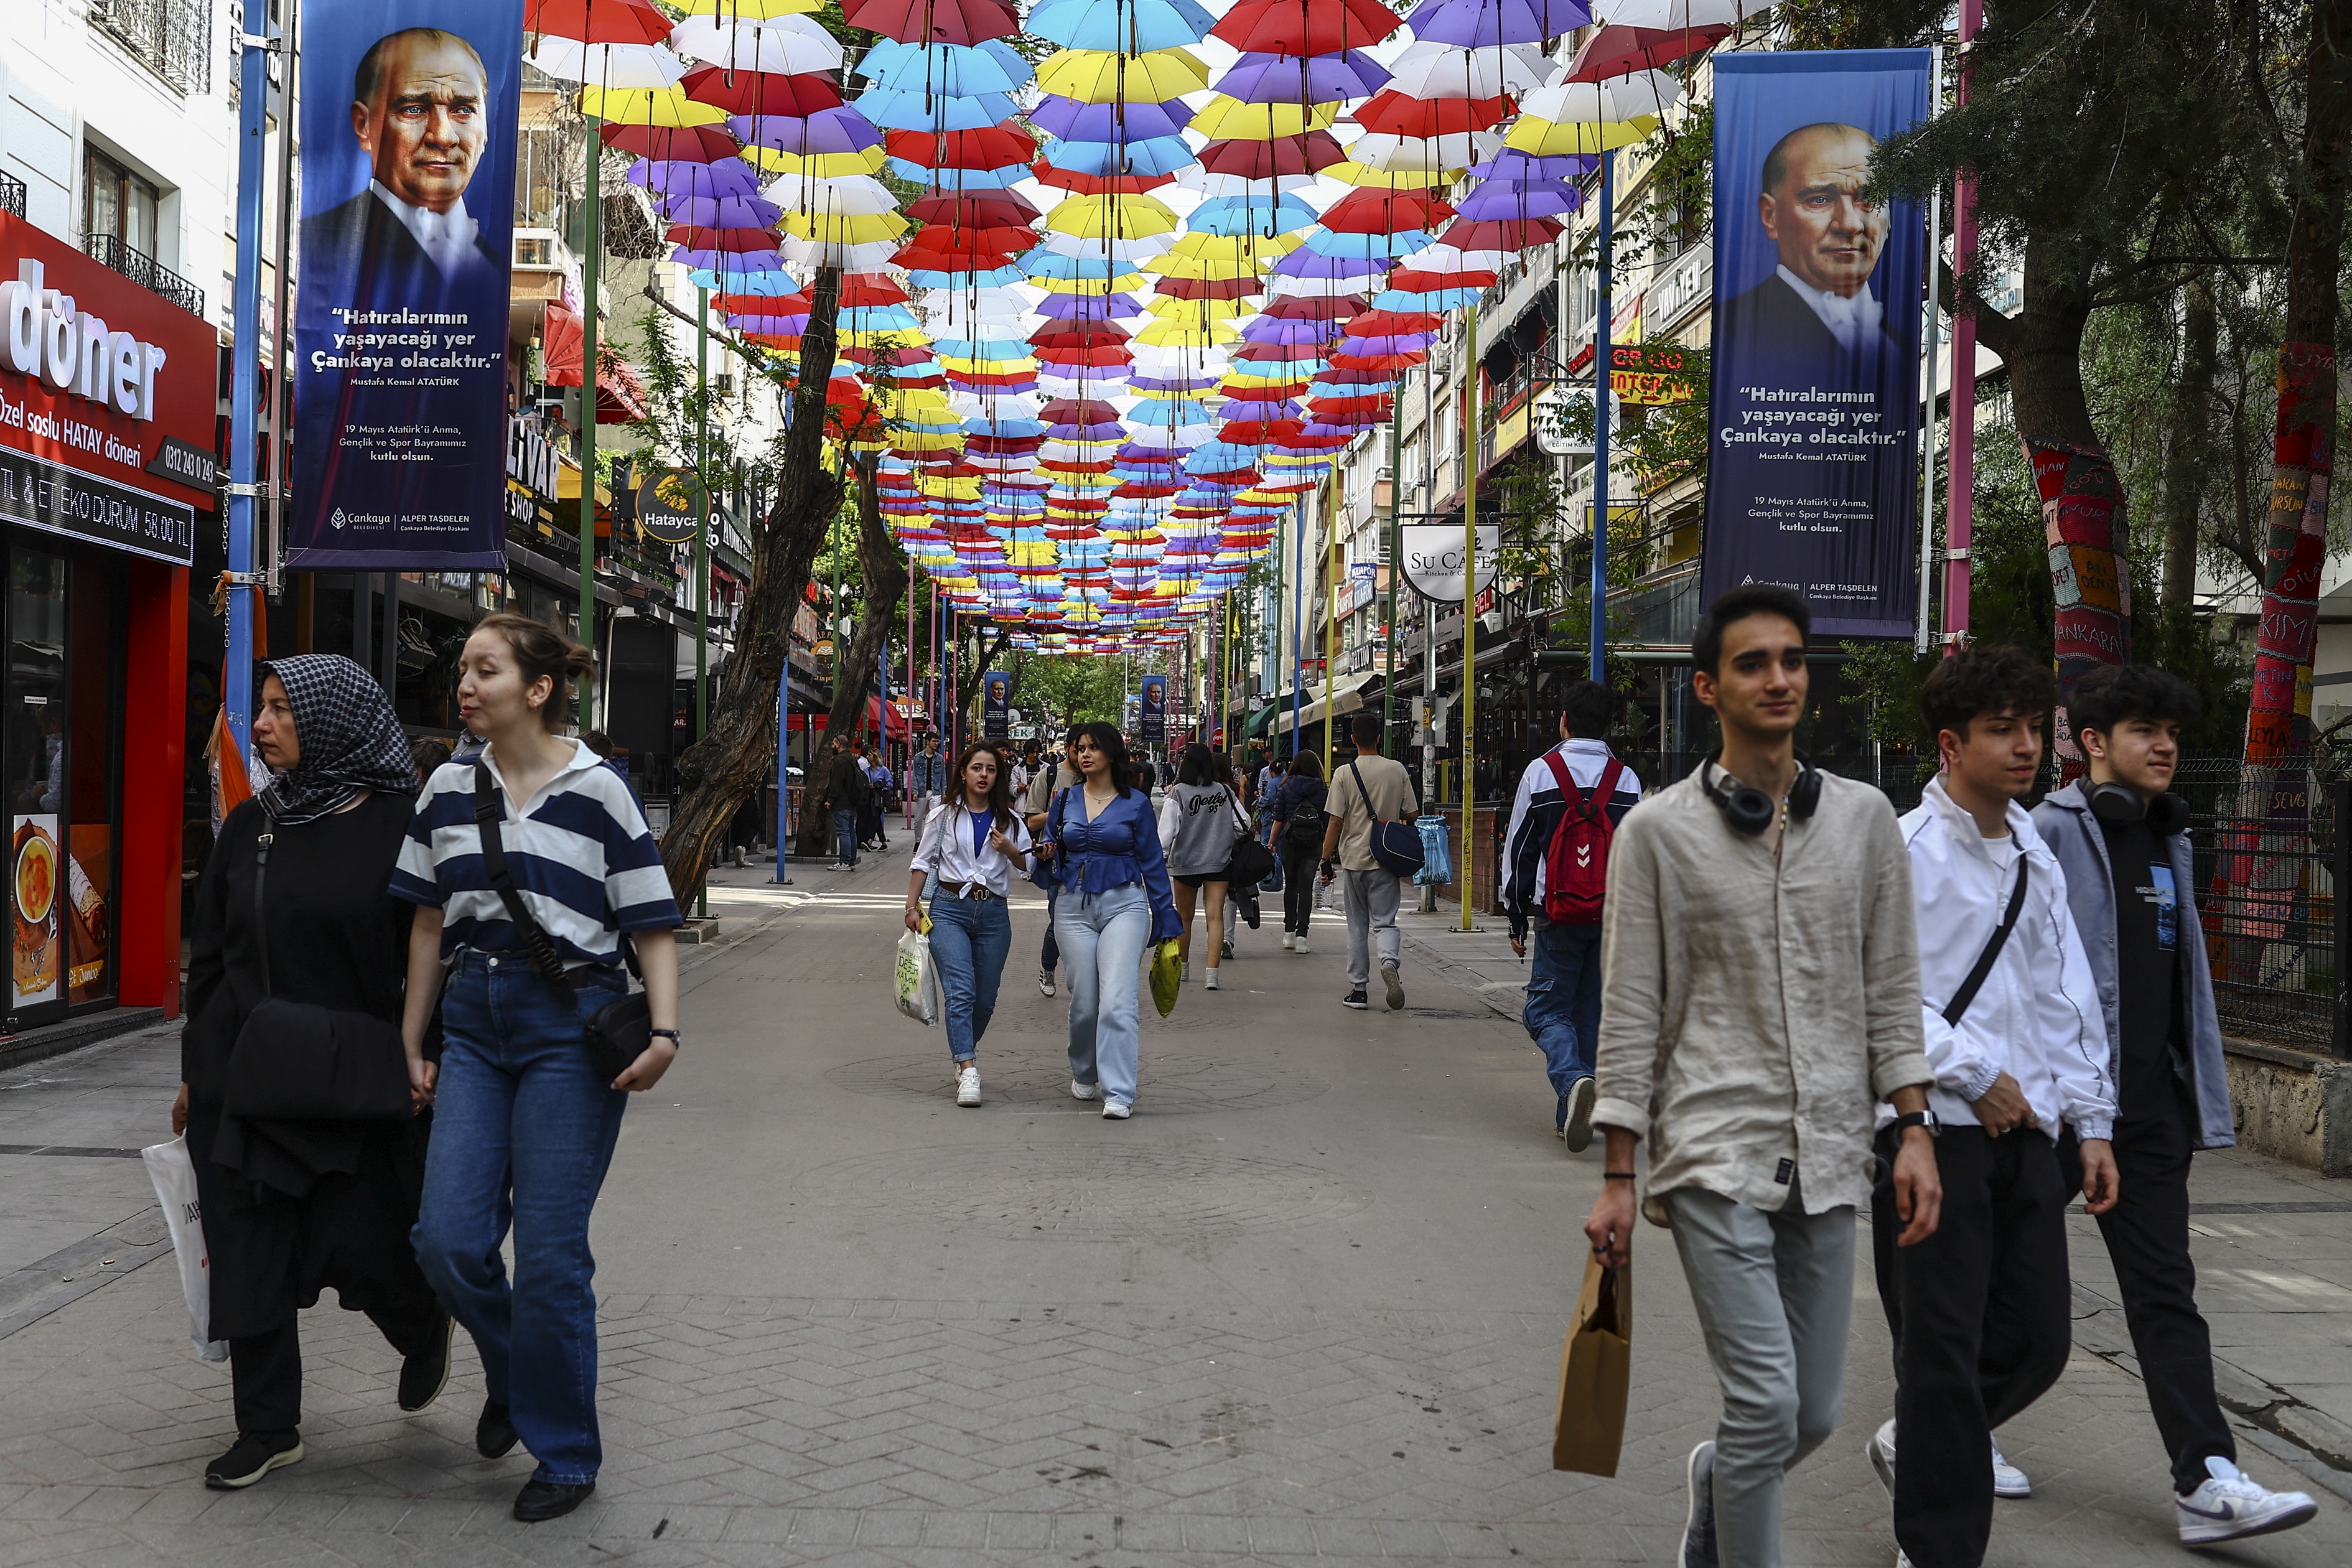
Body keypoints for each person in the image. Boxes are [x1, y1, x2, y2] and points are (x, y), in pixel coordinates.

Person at [1582, 584, 1941, 1568]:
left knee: (1813, 1413)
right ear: (1708, 687)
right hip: (1709, 1151)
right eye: (1752, 662)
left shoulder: (1867, 821)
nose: (1778, 677)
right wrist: (1621, 1175)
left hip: (1829, 1149)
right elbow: (1631, 1011)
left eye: (1791, 659)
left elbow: (1891, 991)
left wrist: (1914, 1127)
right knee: (1764, 1400)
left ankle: (1715, 1484)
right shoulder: (1655, 834)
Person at [396, 613, 683, 1524]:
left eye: (486, 669)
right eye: (463, 670)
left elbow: (650, 924)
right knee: (444, 1240)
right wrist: (412, 1040)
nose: (466, 685)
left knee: (553, 1258)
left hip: (572, 1028)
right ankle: (520, 1374)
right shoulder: (445, 786)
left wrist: (666, 1034)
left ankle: (563, 1452)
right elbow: (429, 923)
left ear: (539, 687)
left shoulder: (600, 790)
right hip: (474, 1026)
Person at [2033, 665, 2320, 1546]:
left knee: (2166, 1292)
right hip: (2050, 1105)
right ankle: (1941, 1434)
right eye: (2144, 732)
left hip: (2149, 1109)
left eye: (2172, 733)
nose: (2164, 748)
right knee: (2007, 1288)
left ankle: (2206, 1479)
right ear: (2091, 743)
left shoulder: (2169, 833)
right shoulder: (2043, 837)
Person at [1871, 646, 2118, 1568]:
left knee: (2039, 1341)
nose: (2026, 748)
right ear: (1948, 745)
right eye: (2002, 730)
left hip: (2031, 1139)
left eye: (2033, 728)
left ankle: (1918, 1440)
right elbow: (1873, 990)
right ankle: (1937, 1548)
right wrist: (1972, 1070)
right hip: (1928, 1137)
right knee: (1940, 1351)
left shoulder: (2034, 856)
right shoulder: (1902, 852)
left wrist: (2091, 1124)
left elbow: (2068, 996)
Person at [177, 655, 449, 1491]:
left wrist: (420, 1052)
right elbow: (211, 962)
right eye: (262, 709)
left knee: (362, 1238)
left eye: (279, 711)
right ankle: (267, 1427)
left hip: (350, 1075)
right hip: (247, 1074)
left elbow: (432, 951)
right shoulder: (251, 824)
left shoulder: (403, 822)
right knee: (250, 1245)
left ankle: (419, 1322)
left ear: (334, 720)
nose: (261, 727)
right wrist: (197, 1073)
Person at [1502, 678, 1644, 1149]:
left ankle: (1571, 1082)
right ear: (1611, 725)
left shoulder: (1542, 773)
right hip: (1612, 916)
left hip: (1557, 912)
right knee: (1588, 1016)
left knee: (1543, 1009)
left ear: (1564, 720)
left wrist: (1516, 915)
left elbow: (1520, 849)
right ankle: (1572, 1116)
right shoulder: (1626, 779)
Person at [1032, 722, 1180, 1119]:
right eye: (1079, 747)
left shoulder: (1136, 805)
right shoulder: (1064, 800)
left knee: (1117, 1001)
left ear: (1112, 754)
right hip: (1072, 907)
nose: (1085, 754)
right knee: (1085, 1003)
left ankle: (1118, 1092)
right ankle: (1084, 1070)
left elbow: (1152, 863)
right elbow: (1047, 855)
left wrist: (1166, 916)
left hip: (1125, 906)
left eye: (1094, 747)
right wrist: (1045, 854)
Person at [1715, 122, 1902, 383]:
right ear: (1771, 216)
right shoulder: (1737, 330)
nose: (1850, 224)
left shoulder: (1904, 338)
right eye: (1820, 199)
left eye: (1868, 198)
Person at [905, 742, 1032, 1108]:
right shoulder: (942, 816)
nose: (983, 775)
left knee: (985, 1000)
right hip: (947, 910)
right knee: (960, 990)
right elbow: (922, 861)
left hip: (994, 914)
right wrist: (911, 907)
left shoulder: (1010, 820)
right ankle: (968, 1068)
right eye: (977, 768)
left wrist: (1011, 851)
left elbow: (1030, 867)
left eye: (990, 770)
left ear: (998, 776)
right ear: (963, 772)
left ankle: (963, 1051)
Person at [1318, 715, 1418, 1011]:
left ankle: (1359, 990)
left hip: (1353, 859)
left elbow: (1335, 821)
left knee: (1357, 927)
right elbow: (1412, 814)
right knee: (1385, 921)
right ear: (1379, 738)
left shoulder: (1344, 773)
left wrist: (1325, 859)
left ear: (1352, 739)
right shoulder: (1397, 770)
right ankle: (1389, 961)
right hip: (1386, 859)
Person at [1158, 742, 1245, 990]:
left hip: (1185, 862)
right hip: (1219, 862)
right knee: (1215, 916)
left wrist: (1159, 858)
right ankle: (1212, 975)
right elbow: (1243, 824)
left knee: (1184, 917)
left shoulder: (1178, 793)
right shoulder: (1224, 791)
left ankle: (1183, 970)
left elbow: (1166, 834)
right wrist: (1222, 838)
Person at [1025, 732, 1084, 997]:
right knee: (1058, 921)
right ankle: (1048, 967)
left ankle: (1081, 978)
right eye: (1080, 749)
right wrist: (1061, 810)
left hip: (1091, 864)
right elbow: (1032, 822)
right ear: (1069, 747)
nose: (1085, 755)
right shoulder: (1048, 777)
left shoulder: (1097, 778)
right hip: (1058, 863)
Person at [1270, 753, 1325, 953]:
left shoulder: (1285, 787)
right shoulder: (1321, 789)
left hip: (1290, 842)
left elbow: (1278, 818)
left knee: (1291, 886)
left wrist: (1271, 843)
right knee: (1306, 888)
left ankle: (1289, 934)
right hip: (1313, 845)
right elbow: (1327, 820)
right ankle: (1303, 936)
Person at [811, 734, 868, 870]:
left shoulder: (839, 761)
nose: (832, 747)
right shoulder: (852, 759)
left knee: (843, 832)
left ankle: (844, 861)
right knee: (850, 831)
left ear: (838, 745)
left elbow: (836, 783)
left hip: (841, 802)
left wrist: (830, 800)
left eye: (833, 744)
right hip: (852, 801)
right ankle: (851, 861)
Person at [910, 732, 948, 826]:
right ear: (927, 742)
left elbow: (943, 776)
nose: (936, 743)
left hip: (936, 792)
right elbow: (914, 775)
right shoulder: (918, 758)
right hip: (922, 792)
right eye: (934, 741)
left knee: (935, 819)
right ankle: (918, 840)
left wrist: (943, 792)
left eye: (937, 741)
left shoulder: (940, 759)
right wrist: (915, 792)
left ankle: (932, 840)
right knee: (918, 820)